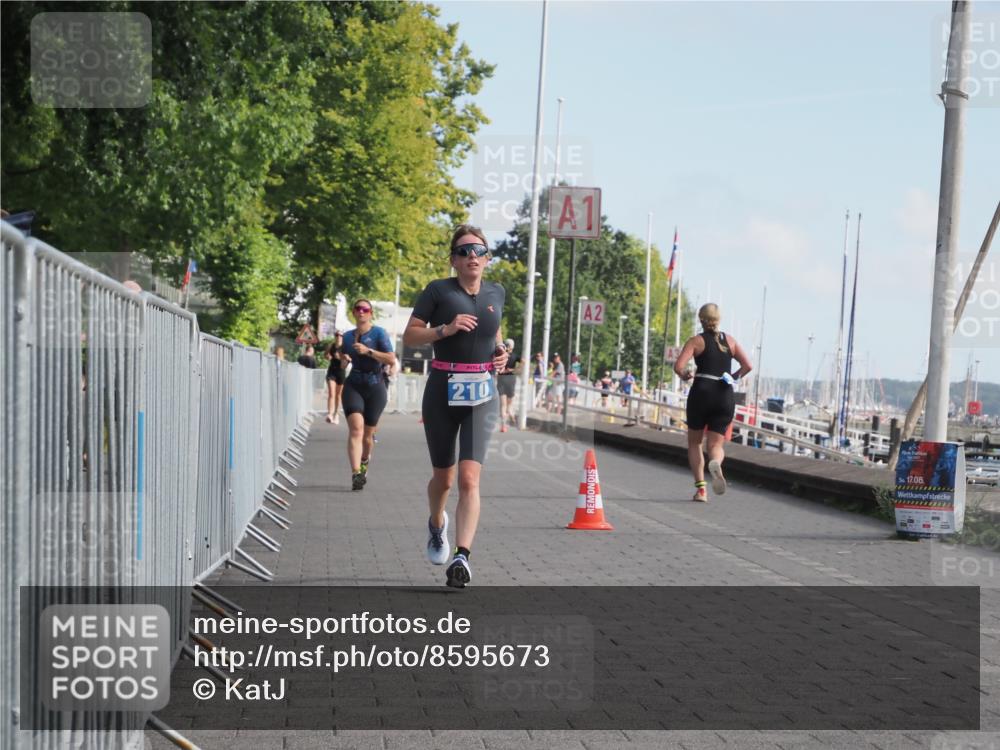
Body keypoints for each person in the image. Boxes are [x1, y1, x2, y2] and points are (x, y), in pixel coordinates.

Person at [403, 224, 507, 588]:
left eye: (478, 250)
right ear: (453, 260)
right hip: (442, 390)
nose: (472, 256)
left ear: (487, 257)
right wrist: (443, 330)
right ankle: (436, 524)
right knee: (444, 478)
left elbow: (493, 332)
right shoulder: (437, 291)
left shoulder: (496, 292)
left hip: (482, 393)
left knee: (469, 478)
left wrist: (501, 352)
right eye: (464, 251)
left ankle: (462, 557)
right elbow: (410, 335)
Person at [673, 303, 753, 502]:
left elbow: (678, 366)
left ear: (701, 319)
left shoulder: (696, 341)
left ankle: (701, 490)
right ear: (719, 320)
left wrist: (685, 375)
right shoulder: (731, 341)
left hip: (701, 392)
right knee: (716, 445)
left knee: (695, 442)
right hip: (724, 394)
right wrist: (733, 377)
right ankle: (716, 462)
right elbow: (748, 365)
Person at [341, 300, 396, 490]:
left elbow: (391, 358)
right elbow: (342, 360)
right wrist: (344, 360)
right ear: (354, 313)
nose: (361, 312)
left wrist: (369, 351)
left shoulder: (379, 333)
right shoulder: (347, 337)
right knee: (356, 428)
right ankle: (356, 473)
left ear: (370, 313)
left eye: (365, 309)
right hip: (354, 385)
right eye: (358, 309)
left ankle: (364, 460)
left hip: (375, 386)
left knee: (368, 435)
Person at [496, 338, 518, 432]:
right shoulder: (515, 356)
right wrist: (514, 370)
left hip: (501, 379)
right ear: (512, 346)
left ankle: (503, 425)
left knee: (503, 405)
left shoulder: (500, 355)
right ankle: (510, 414)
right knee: (509, 405)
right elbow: (524, 362)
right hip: (511, 379)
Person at [324, 333, 345, 424]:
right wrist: (327, 356)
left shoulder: (345, 348)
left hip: (341, 372)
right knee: (331, 393)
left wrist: (340, 358)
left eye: (340, 335)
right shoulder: (331, 346)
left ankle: (336, 414)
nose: (338, 337)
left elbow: (348, 360)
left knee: (338, 395)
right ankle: (330, 414)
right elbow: (325, 355)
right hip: (332, 371)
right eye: (336, 335)